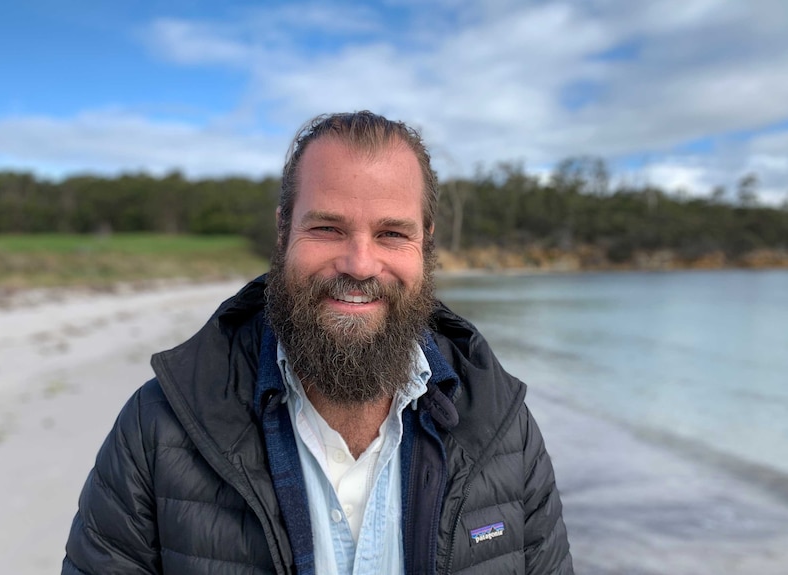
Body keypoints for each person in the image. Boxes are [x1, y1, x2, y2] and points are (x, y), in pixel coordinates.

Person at [63, 111, 573, 575]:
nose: (359, 264)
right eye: (328, 228)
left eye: (392, 234)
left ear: (426, 243)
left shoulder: (507, 430)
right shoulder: (158, 428)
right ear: (283, 230)